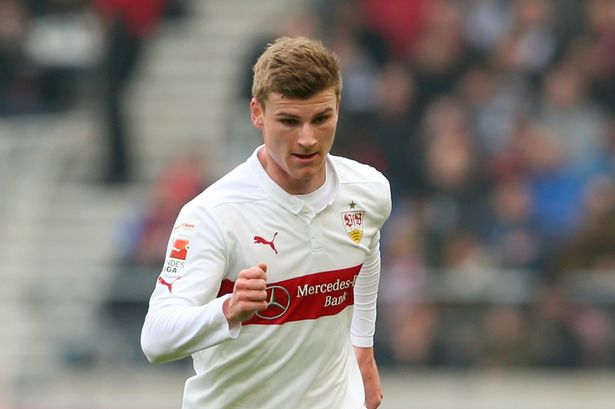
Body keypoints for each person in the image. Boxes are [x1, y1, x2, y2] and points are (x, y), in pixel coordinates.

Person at [140, 36, 392, 409]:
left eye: (321, 119)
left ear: (338, 107)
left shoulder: (369, 191)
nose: (307, 139)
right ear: (257, 113)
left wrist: (363, 348)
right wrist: (228, 309)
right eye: (289, 121)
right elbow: (155, 339)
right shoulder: (214, 214)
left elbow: (367, 249)